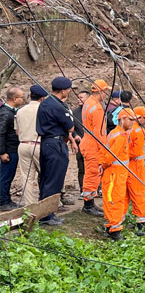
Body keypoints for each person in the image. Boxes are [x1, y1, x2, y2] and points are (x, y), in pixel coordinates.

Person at [36, 77, 76, 225]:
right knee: (54, 179)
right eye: (69, 89)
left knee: (46, 178)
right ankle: (47, 216)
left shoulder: (45, 103)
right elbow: (70, 127)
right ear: (63, 90)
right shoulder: (58, 106)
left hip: (46, 143)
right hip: (55, 143)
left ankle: (46, 212)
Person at [102, 108, 135, 241]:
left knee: (115, 199)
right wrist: (103, 165)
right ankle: (114, 230)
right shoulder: (119, 136)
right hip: (114, 174)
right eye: (130, 120)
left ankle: (111, 225)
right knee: (115, 200)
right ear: (122, 120)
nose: (132, 123)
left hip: (118, 173)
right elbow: (110, 155)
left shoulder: (118, 133)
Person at [80, 79, 111, 216]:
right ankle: (88, 205)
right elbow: (100, 133)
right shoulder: (97, 108)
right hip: (93, 145)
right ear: (101, 92)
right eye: (105, 92)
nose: (106, 95)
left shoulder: (88, 103)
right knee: (93, 174)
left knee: (90, 173)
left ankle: (90, 202)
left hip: (87, 141)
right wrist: (105, 150)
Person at [16, 85, 47, 206]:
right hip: (39, 144)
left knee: (27, 177)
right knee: (46, 174)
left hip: (23, 145)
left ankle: (29, 205)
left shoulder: (20, 110)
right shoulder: (44, 109)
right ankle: (48, 202)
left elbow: (17, 131)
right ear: (42, 98)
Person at [126, 106, 145, 236]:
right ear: (140, 117)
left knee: (125, 196)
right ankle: (140, 224)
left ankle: (118, 222)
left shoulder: (126, 129)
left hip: (126, 165)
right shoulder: (138, 131)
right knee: (139, 193)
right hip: (136, 165)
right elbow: (135, 152)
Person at [0, 87, 24, 210]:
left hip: (13, 148)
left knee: (9, 175)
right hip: (8, 150)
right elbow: (1, 133)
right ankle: (3, 202)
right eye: (21, 97)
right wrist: (2, 152)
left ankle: (7, 198)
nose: (23, 100)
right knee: (5, 176)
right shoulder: (5, 113)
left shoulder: (12, 112)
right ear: (15, 99)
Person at [72, 91, 90, 192]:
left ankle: (96, 188)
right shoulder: (74, 112)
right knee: (81, 167)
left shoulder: (93, 110)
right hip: (80, 144)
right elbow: (71, 127)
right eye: (78, 98)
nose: (79, 99)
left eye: (81, 98)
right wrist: (75, 135)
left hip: (92, 144)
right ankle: (82, 190)